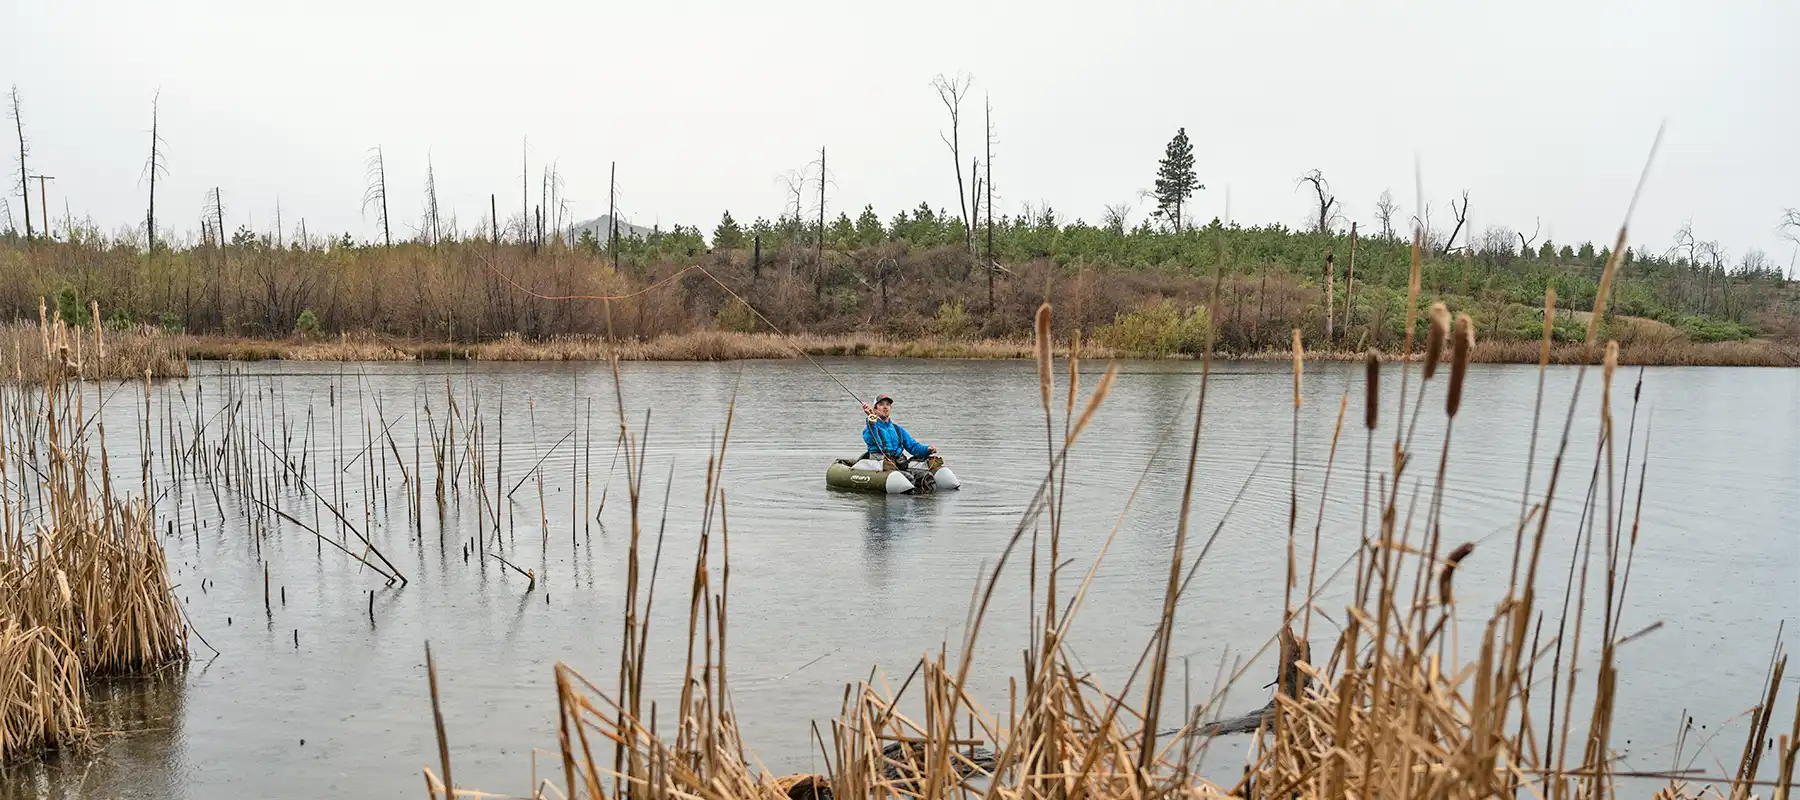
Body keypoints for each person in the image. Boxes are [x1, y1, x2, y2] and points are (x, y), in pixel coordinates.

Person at [860, 394, 935, 467]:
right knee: (908, 477)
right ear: (875, 409)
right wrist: (871, 417)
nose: (885, 407)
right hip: (880, 465)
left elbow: (913, 447)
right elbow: (875, 439)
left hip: (897, 464)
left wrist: (927, 449)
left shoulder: (898, 429)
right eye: (881, 404)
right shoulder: (869, 429)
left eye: (888, 404)